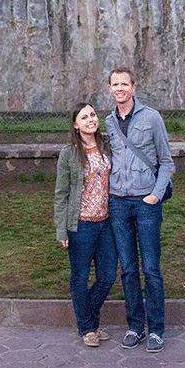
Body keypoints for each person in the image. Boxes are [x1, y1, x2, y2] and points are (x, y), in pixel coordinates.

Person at [105, 67, 173, 353]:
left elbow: (167, 161)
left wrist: (155, 195)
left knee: (151, 268)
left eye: (125, 84)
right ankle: (135, 326)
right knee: (129, 269)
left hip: (145, 202)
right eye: (115, 84)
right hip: (118, 202)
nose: (120, 88)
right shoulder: (107, 122)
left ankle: (156, 329)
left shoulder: (152, 117)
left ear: (134, 87)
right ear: (109, 89)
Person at [54, 103, 118, 348]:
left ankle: (87, 319)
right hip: (80, 225)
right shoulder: (69, 153)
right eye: (84, 117)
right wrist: (62, 228)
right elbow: (61, 193)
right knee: (80, 278)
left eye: (92, 114)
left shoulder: (107, 147)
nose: (91, 119)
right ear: (75, 125)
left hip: (106, 224)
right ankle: (88, 328)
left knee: (108, 276)